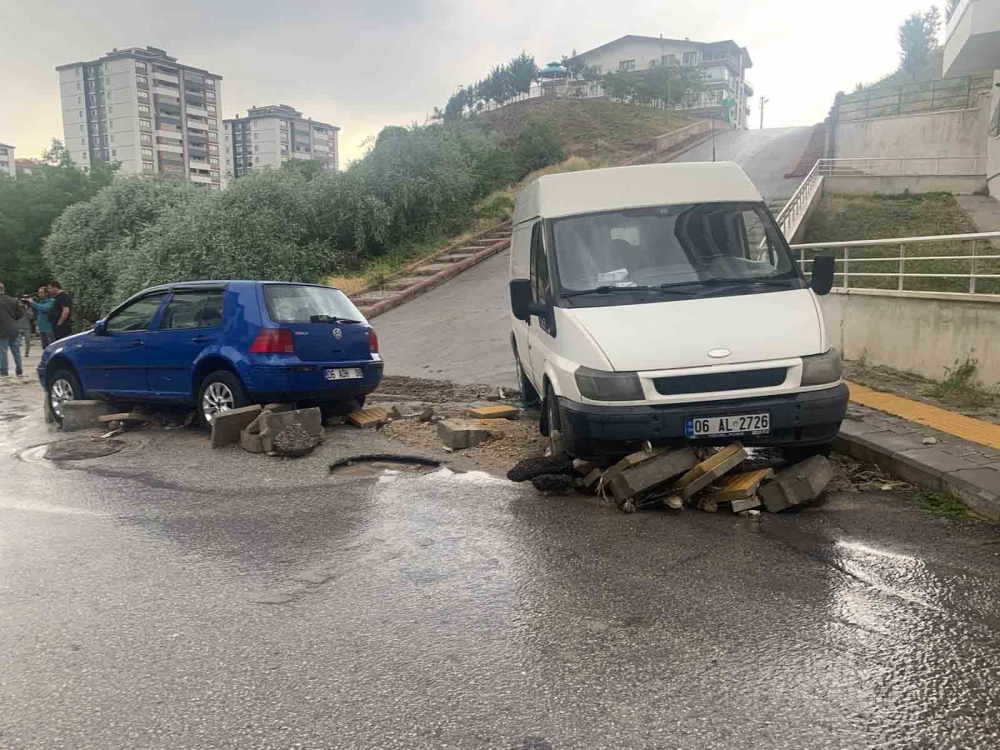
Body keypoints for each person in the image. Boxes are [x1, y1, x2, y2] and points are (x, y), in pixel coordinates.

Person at [0, 281, 25, 379]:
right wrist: (13, 319)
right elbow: (21, 313)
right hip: (14, 328)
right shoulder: (13, 300)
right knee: (16, 351)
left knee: (2, 351)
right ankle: (19, 371)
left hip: (2, 330)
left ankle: (4, 372)